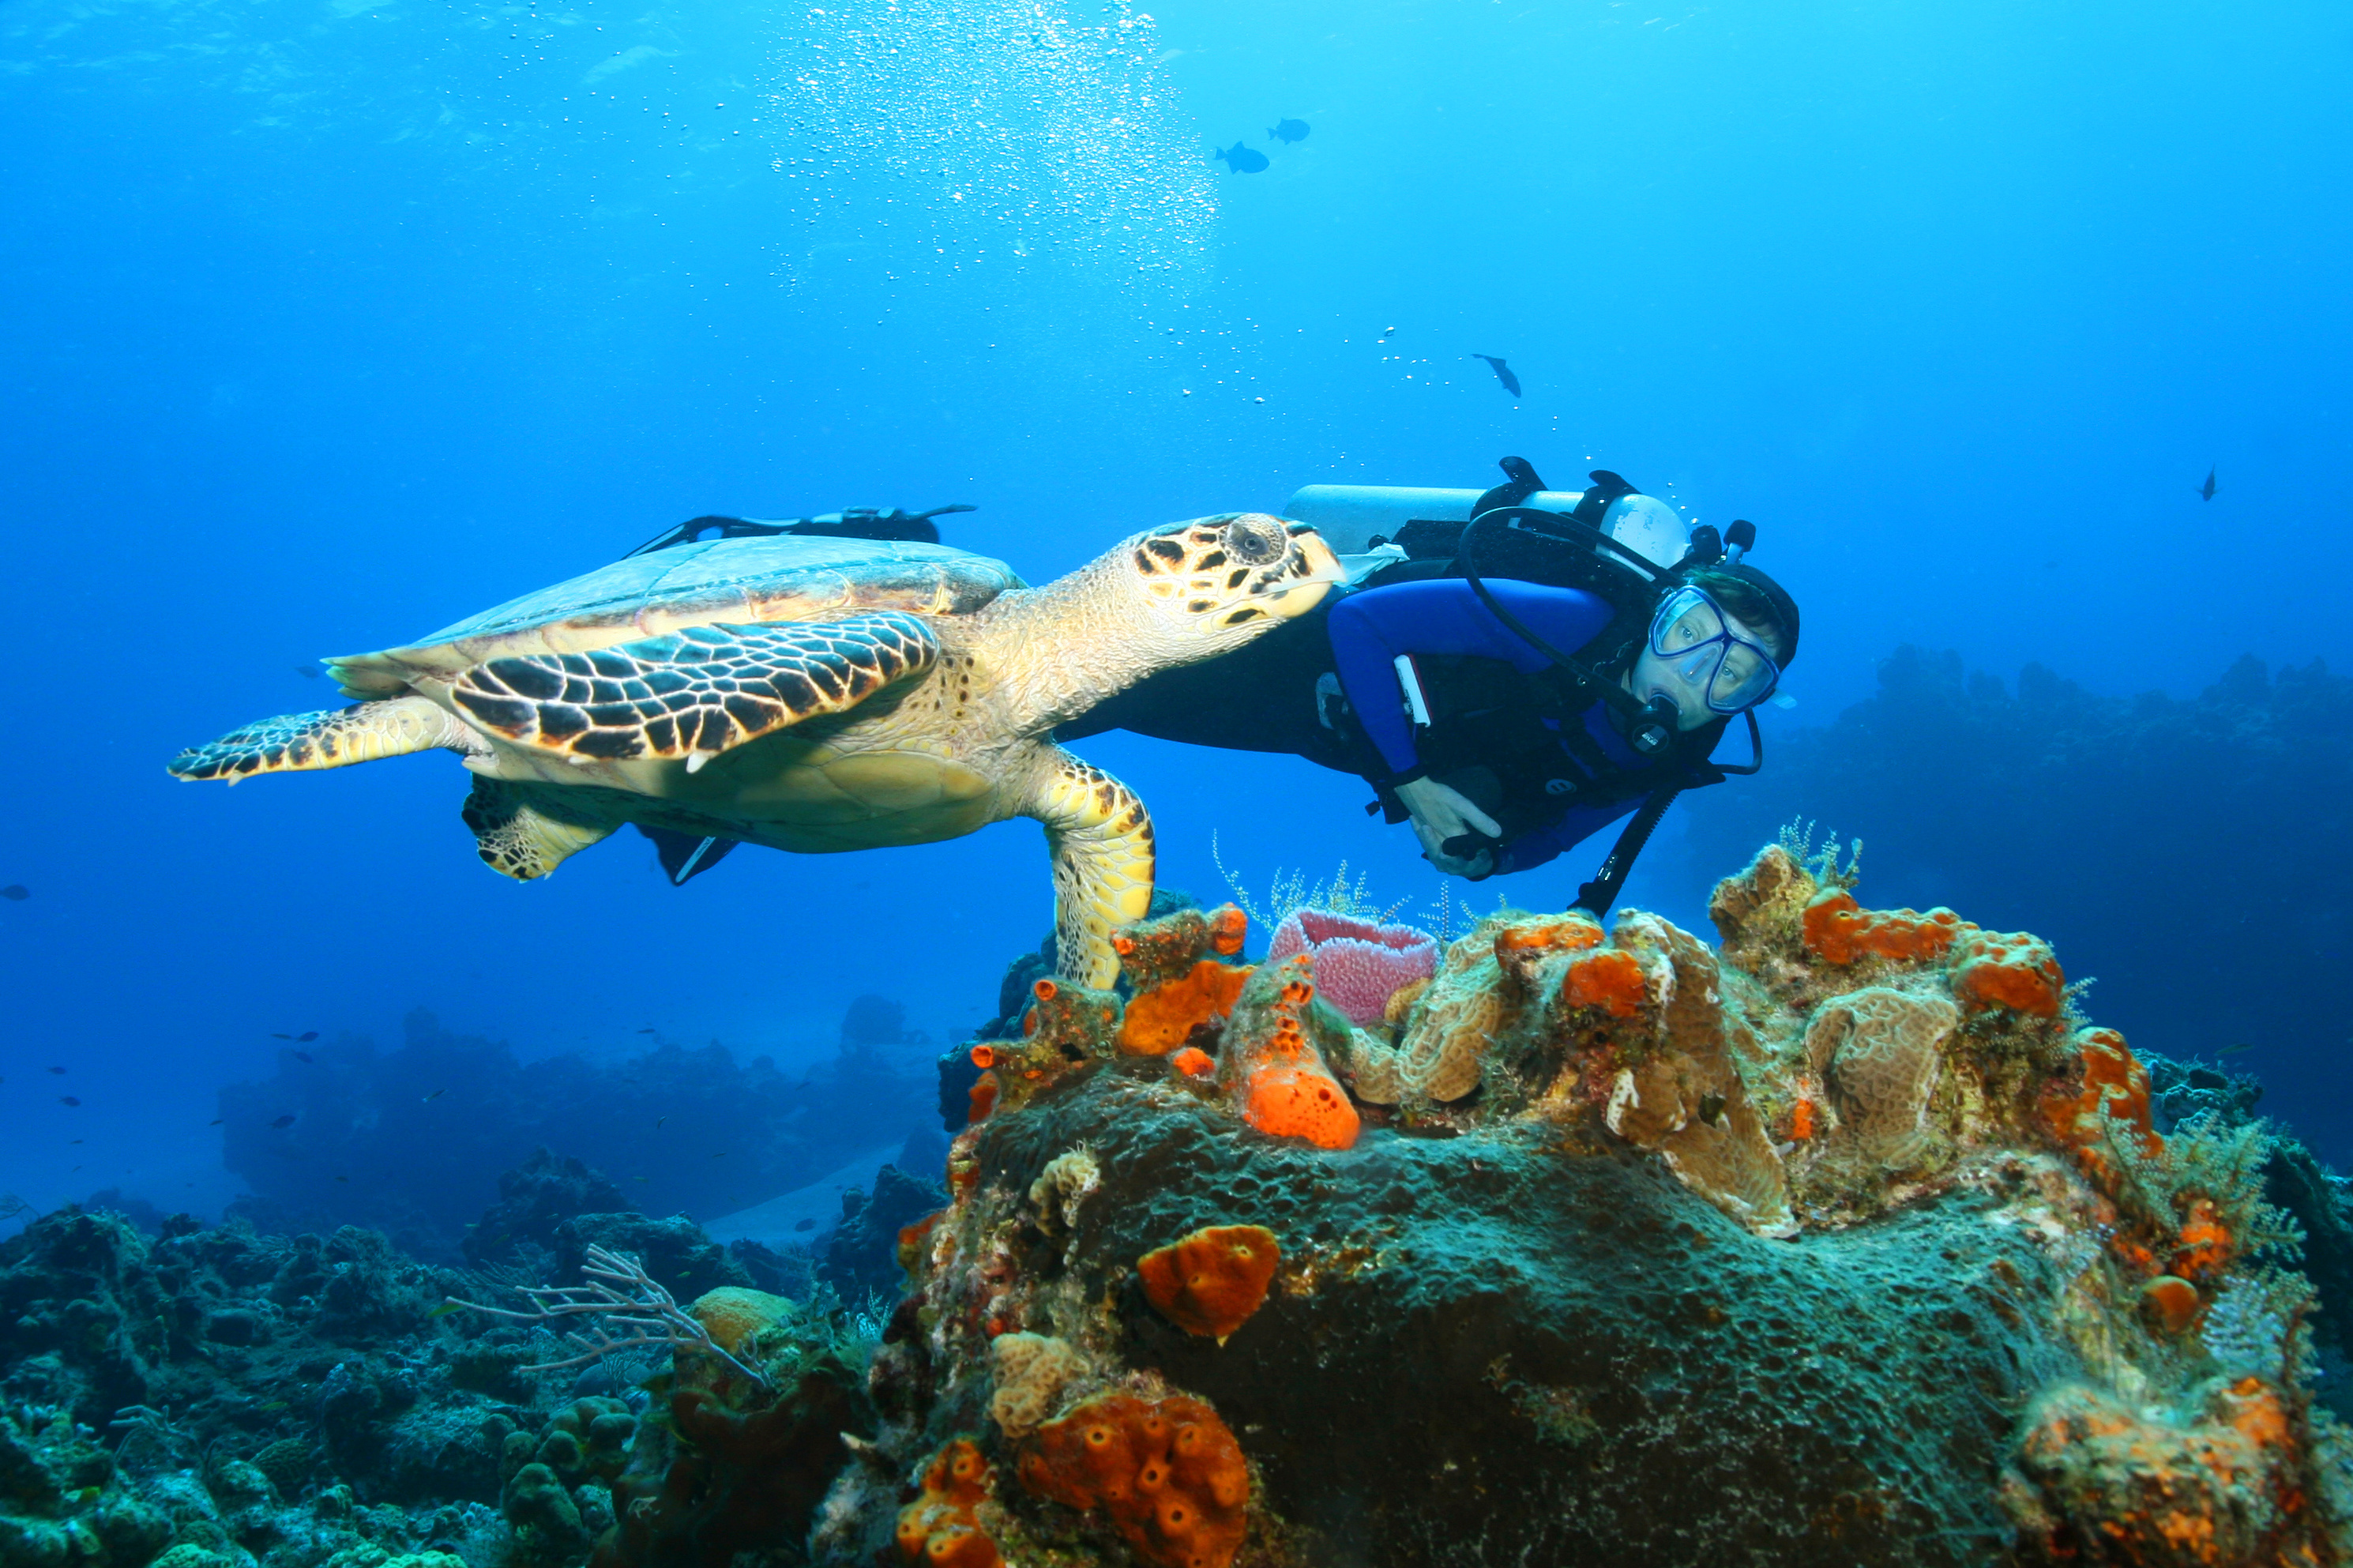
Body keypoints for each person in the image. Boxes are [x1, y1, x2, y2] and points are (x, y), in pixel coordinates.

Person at [1062, 458, 1799, 915]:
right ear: (1658, 616)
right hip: (1301, 653)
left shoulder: (1669, 756)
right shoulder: (1573, 623)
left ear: (1746, 702)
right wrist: (1412, 784)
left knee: (1100, 702)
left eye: (1734, 676)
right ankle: (999, 616)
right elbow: (1358, 624)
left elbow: (1563, 831)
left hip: (1330, 733)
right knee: (1093, 685)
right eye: (1689, 633)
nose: (1694, 673)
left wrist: (1488, 858)